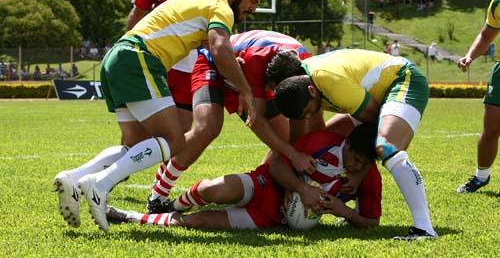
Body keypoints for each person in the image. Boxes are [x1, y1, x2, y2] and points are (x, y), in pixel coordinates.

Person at [53, 0, 266, 232]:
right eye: (252, 0)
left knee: (134, 145)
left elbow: (198, 38)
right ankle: (99, 184)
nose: (254, 8)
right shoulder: (221, 7)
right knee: (175, 141)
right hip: (139, 58)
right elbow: (220, 47)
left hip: (118, 57)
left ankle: (74, 177)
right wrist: (246, 90)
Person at [266, 49, 437, 240]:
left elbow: (372, 124)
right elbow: (306, 142)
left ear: (309, 90)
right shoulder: (308, 83)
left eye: (307, 112)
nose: (307, 117)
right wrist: (296, 186)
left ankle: (424, 228)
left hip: (403, 79)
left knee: (386, 145)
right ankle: (359, 207)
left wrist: (359, 173)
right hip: (376, 97)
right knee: (328, 142)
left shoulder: (332, 83)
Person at [147, 30, 317, 214]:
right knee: (207, 128)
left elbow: (301, 126)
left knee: (283, 141)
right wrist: (293, 154)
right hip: (215, 66)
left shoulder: (309, 67)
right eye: (271, 88)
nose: (270, 92)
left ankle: (264, 188)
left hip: (252, 73)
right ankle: (158, 195)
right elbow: (256, 120)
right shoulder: (257, 60)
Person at [106, 124, 382, 230]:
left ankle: (128, 216)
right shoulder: (322, 141)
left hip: (272, 217)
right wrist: (300, 188)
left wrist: (343, 211)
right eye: (355, 159)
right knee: (213, 191)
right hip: (266, 184)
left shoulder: (368, 176)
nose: (357, 167)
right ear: (346, 145)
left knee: (198, 222)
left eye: (364, 163)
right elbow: (276, 166)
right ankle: (173, 204)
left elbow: (371, 221)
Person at [126, 0, 219, 133]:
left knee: (182, 132)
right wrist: (127, 48)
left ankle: (166, 166)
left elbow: (218, 25)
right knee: (140, 129)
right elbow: (138, 13)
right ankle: (122, 163)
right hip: (159, 63)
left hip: (191, 66)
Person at [456, 0, 500, 193]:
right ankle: (481, 177)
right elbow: (485, 36)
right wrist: (469, 56)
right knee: (490, 129)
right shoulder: (498, 4)